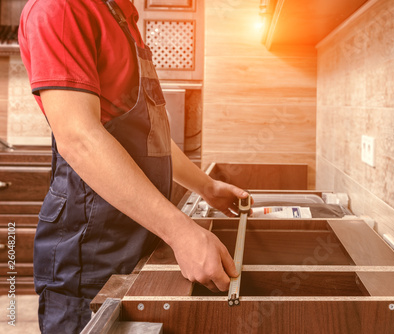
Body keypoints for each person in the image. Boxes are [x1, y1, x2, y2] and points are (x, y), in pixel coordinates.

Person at [19, 0, 247, 332]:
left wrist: (206, 187)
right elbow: (79, 138)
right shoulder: (62, 8)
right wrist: (180, 231)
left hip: (135, 237)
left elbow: (151, 135)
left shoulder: (122, 14)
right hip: (90, 253)